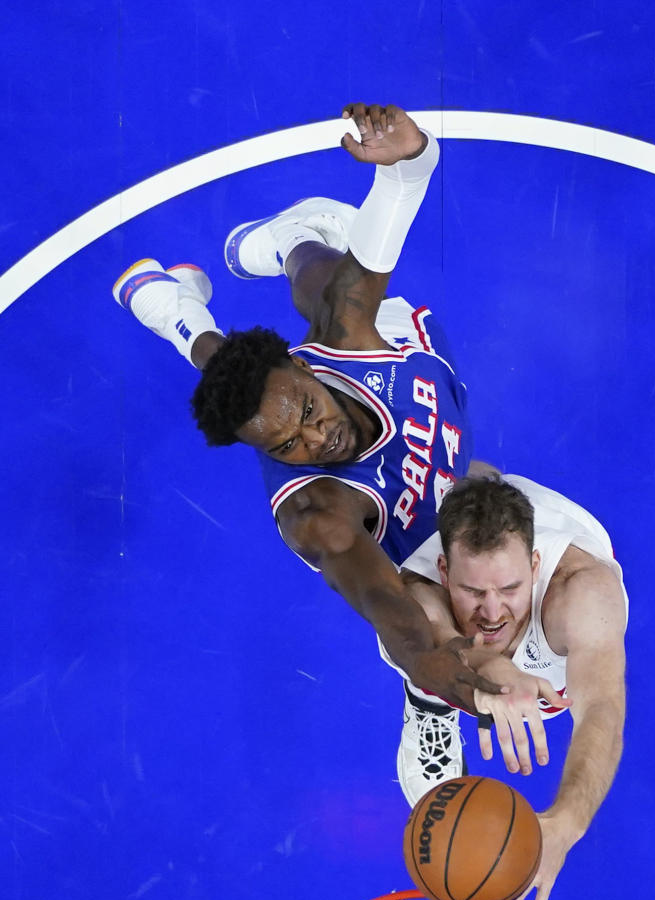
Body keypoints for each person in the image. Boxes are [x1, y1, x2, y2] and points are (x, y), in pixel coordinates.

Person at [113, 102, 498, 713]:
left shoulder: (337, 342)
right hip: (427, 533)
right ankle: (169, 308)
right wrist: (423, 661)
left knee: (331, 284)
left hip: (398, 351)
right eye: (287, 446)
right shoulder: (317, 512)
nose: (316, 441)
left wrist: (409, 164)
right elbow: (382, 601)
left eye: (311, 411)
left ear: (305, 363)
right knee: (234, 376)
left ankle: (294, 233)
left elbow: (384, 239)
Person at [385, 474, 628, 900]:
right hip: (439, 581)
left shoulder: (581, 591)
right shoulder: (422, 583)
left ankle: (482, 478)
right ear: (444, 572)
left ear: (535, 567)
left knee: (484, 480)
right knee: (407, 639)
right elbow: (437, 639)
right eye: (473, 592)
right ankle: (427, 703)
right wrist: (491, 667)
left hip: (557, 546)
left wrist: (568, 821)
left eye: (510, 590)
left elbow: (603, 709)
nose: (493, 612)